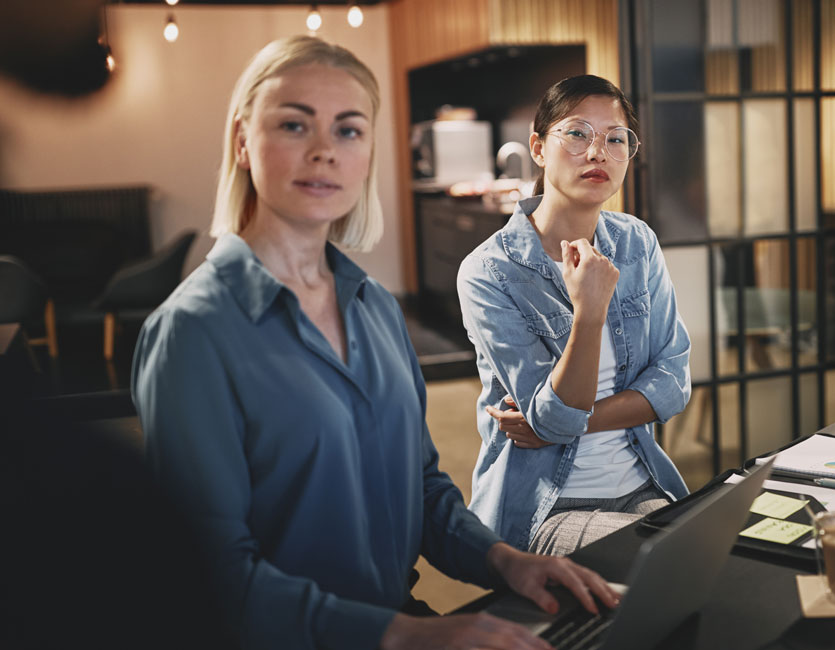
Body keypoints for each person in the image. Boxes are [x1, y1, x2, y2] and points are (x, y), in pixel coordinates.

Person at [131, 36, 617, 650]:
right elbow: (213, 579)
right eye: (293, 124)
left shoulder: (376, 308)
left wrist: (503, 561)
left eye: (349, 130)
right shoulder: (192, 334)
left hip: (397, 619)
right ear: (242, 142)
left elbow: (424, 491)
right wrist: (406, 635)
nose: (323, 152)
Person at [457, 75, 691, 556]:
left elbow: (673, 383)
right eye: (579, 133)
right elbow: (555, 422)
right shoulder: (489, 271)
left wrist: (567, 422)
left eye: (615, 138)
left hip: (640, 478)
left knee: (706, 554)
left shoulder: (635, 242)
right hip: (549, 505)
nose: (598, 152)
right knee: (659, 560)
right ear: (539, 148)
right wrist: (588, 313)